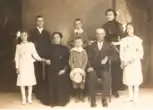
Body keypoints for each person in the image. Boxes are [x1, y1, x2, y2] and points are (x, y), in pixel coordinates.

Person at [112, 23, 144, 103]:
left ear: (134, 29)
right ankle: (130, 96)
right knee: (128, 78)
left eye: (130, 28)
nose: (129, 30)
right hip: (126, 63)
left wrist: (133, 58)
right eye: (127, 28)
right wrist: (123, 60)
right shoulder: (124, 40)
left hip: (135, 62)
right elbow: (121, 51)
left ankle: (136, 96)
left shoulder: (137, 39)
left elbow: (140, 52)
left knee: (135, 78)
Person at [87, 28, 118, 107]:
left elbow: (115, 56)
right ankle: (93, 100)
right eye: (98, 34)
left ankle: (104, 99)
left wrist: (107, 58)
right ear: (96, 35)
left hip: (104, 68)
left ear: (104, 35)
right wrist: (89, 67)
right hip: (94, 68)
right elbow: (87, 58)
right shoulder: (91, 45)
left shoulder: (109, 45)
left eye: (101, 34)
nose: (100, 35)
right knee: (92, 77)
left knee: (107, 78)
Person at [14, 31, 44, 105]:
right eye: (22, 35)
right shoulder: (18, 46)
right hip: (22, 65)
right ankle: (24, 98)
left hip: (29, 64)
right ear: (20, 37)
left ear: (27, 36)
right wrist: (17, 67)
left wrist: (41, 59)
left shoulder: (31, 44)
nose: (23, 36)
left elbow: (35, 54)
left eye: (25, 35)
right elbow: (17, 57)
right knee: (22, 82)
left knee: (30, 81)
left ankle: (29, 97)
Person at [44, 32, 71, 107]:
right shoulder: (49, 48)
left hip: (62, 70)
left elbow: (68, 61)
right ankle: (52, 101)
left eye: (58, 37)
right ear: (52, 39)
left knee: (61, 81)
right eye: (54, 37)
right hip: (51, 69)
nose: (56, 39)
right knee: (51, 81)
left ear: (60, 38)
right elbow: (45, 57)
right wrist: (47, 60)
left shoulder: (65, 49)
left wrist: (64, 70)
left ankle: (61, 101)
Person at [102, 8, 124, 98]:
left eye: (110, 14)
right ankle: (107, 89)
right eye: (107, 14)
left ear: (114, 16)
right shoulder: (103, 26)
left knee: (115, 70)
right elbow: (103, 38)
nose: (108, 16)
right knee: (107, 70)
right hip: (107, 48)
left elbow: (121, 37)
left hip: (116, 48)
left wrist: (116, 43)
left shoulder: (119, 25)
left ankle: (115, 90)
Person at [29, 15, 51, 100]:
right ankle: (36, 91)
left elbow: (49, 45)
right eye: (38, 21)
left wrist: (47, 56)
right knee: (36, 73)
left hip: (44, 57)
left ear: (44, 22)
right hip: (34, 57)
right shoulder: (32, 33)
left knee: (44, 74)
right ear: (36, 22)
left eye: (42, 21)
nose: (40, 22)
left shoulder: (47, 33)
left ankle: (43, 91)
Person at [69, 37, 88, 103]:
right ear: (74, 43)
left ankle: (81, 95)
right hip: (74, 70)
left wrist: (82, 68)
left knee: (82, 82)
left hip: (81, 70)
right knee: (75, 82)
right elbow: (70, 61)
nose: (78, 44)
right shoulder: (72, 51)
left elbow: (86, 60)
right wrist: (73, 68)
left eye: (79, 42)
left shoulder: (84, 51)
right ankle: (77, 95)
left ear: (82, 43)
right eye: (76, 42)